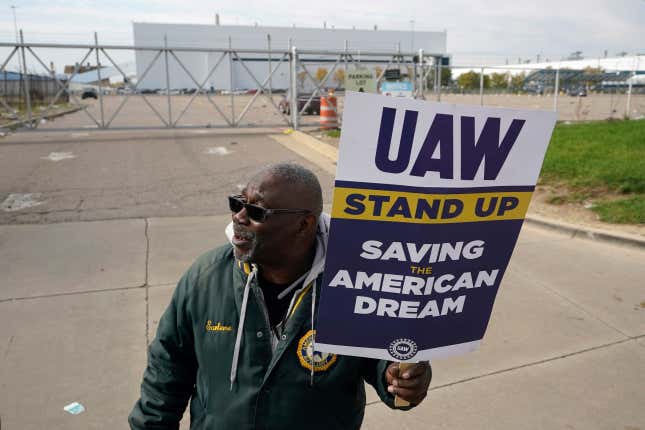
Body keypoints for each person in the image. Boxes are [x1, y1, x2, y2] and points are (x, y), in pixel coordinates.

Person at [129, 163, 431, 429]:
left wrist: (401, 378)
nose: (239, 217)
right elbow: (167, 366)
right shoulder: (206, 277)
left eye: (257, 211)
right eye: (237, 204)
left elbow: (386, 359)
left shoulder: (355, 283)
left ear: (303, 225)